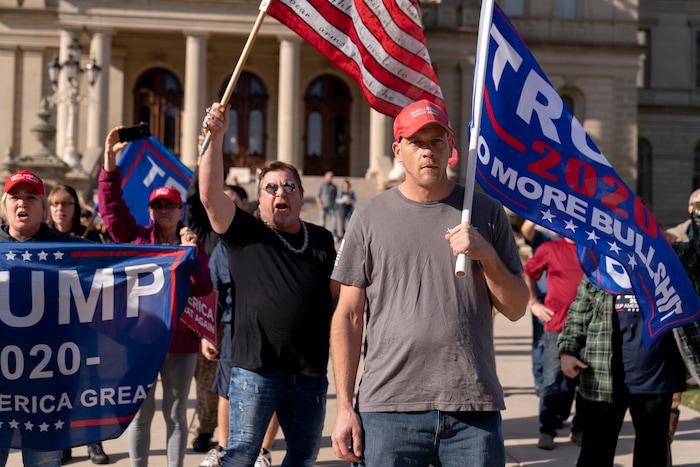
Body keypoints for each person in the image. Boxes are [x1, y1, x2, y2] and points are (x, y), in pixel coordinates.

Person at [329, 99, 528, 466]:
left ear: (451, 148)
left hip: (472, 407)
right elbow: (348, 317)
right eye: (417, 142)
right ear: (398, 150)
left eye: (437, 141)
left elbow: (516, 308)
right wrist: (343, 407)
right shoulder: (369, 218)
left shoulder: (484, 212)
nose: (428, 151)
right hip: (389, 409)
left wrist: (485, 254)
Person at [198, 102, 338, 466]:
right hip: (256, 370)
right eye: (271, 187)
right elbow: (211, 197)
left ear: (301, 195)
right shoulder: (246, 232)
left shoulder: (322, 239)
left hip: (309, 375)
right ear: (259, 200)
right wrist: (216, 138)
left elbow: (338, 297)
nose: (281, 193)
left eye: (289, 186)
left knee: (304, 456)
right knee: (241, 455)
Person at [99, 126, 213, 467]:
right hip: (139, 342)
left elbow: (205, 287)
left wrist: (191, 254)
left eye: (170, 206)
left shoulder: (191, 243)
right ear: (150, 211)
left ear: (181, 212)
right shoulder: (135, 240)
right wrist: (109, 160)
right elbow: (111, 208)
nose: (164, 211)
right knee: (140, 414)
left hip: (180, 343)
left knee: (177, 413)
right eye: (158, 206)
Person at [187, 167, 281, 467]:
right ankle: (224, 448)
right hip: (232, 327)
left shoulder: (276, 238)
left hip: (273, 329)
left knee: (274, 388)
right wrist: (206, 333)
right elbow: (212, 291)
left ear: (245, 204)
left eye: (229, 202)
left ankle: (263, 452)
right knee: (227, 389)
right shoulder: (222, 247)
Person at [558, 276, 698, 466]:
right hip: (605, 380)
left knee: (653, 455)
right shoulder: (599, 267)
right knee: (595, 454)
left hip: (656, 379)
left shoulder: (668, 262)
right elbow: (578, 315)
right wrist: (567, 351)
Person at [0, 170, 89, 467]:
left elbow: (120, 269)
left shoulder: (68, 248)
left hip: (48, 389)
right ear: (4, 204)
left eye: (30, 198)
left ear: (42, 206)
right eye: (15, 197)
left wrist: (175, 259)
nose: (21, 204)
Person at [47, 184, 110, 465]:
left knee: (89, 386)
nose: (61, 209)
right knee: (58, 389)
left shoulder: (92, 237)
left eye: (67, 204)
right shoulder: (42, 239)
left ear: (75, 207)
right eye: (55, 204)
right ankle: (64, 444)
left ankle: (93, 443)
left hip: (86, 324)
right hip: (52, 326)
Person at [523, 236, 585, 450]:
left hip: (588, 328)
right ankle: (547, 430)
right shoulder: (550, 248)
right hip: (556, 327)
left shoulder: (593, 248)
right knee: (551, 381)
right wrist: (533, 303)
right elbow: (526, 272)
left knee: (583, 383)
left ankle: (579, 429)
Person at [520, 219, 556, 395]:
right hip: (542, 297)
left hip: (567, 300)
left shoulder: (571, 238)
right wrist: (541, 208)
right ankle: (541, 382)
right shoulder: (542, 237)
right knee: (541, 341)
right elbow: (526, 229)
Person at [315, 170, 338, 240]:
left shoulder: (334, 187)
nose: (330, 178)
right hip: (323, 207)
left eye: (331, 177)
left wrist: (336, 205)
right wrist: (320, 204)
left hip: (331, 206)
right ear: (325, 177)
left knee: (333, 221)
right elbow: (317, 195)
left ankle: (334, 235)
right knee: (322, 222)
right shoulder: (321, 186)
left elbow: (336, 196)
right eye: (329, 177)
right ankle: (322, 235)